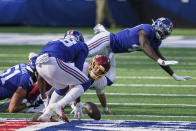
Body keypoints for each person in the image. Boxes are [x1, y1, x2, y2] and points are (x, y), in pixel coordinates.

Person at [87, 17, 192, 85]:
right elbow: (144, 45)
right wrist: (160, 61)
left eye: (166, 33)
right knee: (82, 53)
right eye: (163, 30)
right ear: (157, 26)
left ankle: (78, 85)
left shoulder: (155, 41)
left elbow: (160, 59)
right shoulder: (147, 29)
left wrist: (174, 76)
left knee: (109, 80)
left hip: (110, 50)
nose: (164, 34)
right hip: (106, 40)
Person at [36, 30, 91, 122]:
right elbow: (77, 77)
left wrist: (44, 98)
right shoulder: (82, 46)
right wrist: (77, 103)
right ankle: (59, 105)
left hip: (39, 65)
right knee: (86, 82)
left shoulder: (54, 41)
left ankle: (47, 114)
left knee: (63, 87)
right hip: (54, 62)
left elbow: (40, 78)